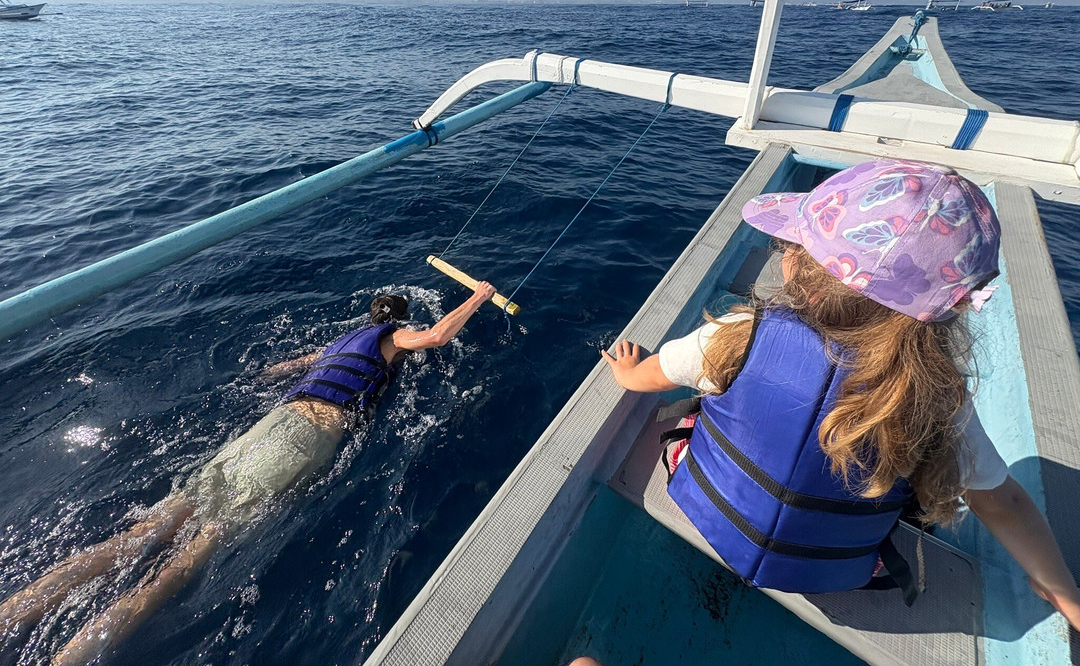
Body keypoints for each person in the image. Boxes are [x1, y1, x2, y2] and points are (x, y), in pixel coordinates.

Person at [601, 158, 1080, 628]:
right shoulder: (935, 399)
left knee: (698, 409)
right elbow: (1003, 505)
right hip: (832, 571)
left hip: (710, 509)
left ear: (805, 275)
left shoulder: (735, 335)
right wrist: (1061, 589)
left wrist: (627, 371)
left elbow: (652, 376)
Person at [0, 283, 496, 665]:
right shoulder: (393, 338)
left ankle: (12, 612)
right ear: (394, 323)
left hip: (268, 425)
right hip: (302, 438)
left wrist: (260, 376)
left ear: (368, 316)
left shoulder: (340, 343)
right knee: (194, 551)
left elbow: (281, 370)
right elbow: (436, 336)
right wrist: (478, 296)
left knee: (148, 529)